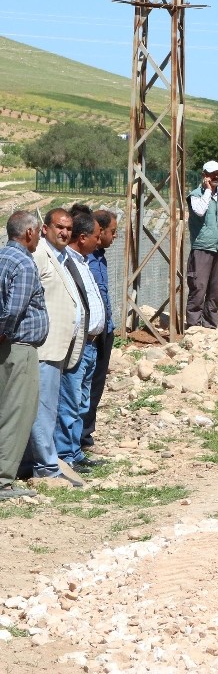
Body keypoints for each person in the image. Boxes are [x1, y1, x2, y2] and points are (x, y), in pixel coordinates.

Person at [24, 208, 85, 489]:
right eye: (59, 227)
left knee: (48, 409)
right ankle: (47, 467)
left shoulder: (61, 257)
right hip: (44, 347)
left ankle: (37, 461)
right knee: (43, 410)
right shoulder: (39, 256)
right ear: (45, 228)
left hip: (59, 348)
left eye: (68, 228)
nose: (64, 232)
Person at [0, 212, 49, 501]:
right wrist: (4, 331)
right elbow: (15, 309)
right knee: (18, 412)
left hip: (8, 347)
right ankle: (3, 479)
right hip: (18, 347)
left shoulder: (3, 257)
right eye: (38, 233)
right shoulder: (24, 263)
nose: (40, 237)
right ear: (29, 233)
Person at [56, 210, 105, 473]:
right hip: (78, 343)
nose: (99, 241)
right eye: (96, 237)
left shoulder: (85, 261)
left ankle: (75, 451)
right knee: (71, 400)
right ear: (83, 237)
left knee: (82, 401)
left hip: (91, 344)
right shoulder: (66, 262)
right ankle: (65, 453)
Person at [81, 209, 117, 453]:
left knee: (96, 385)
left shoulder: (100, 257)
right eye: (113, 232)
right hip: (90, 334)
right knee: (85, 387)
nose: (115, 237)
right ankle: (79, 440)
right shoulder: (84, 259)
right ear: (99, 231)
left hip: (105, 330)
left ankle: (85, 436)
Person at [187, 160, 218, 329]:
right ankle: (194, 327)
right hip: (202, 248)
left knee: (215, 291)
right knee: (198, 289)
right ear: (204, 175)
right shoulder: (195, 195)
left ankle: (210, 327)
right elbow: (199, 211)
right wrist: (207, 191)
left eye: (217, 174)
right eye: (211, 173)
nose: (215, 176)